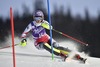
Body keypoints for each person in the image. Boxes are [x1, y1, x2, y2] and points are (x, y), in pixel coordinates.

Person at [20, 10, 87, 63]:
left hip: (46, 38)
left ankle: (74, 54)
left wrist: (47, 26)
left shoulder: (44, 22)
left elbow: (51, 27)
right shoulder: (31, 25)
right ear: (34, 18)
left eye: (39, 18)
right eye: (36, 18)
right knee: (46, 45)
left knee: (56, 46)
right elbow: (24, 34)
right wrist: (23, 40)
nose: (38, 20)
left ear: (42, 17)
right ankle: (62, 55)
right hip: (38, 43)